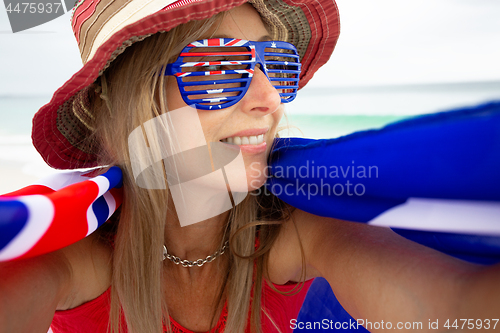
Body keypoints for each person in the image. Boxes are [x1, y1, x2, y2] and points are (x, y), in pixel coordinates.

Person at [1, 0, 499, 332]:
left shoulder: (298, 232)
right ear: (127, 101)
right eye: (218, 67)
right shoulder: (73, 254)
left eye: (276, 65)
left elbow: (456, 306)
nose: (269, 100)